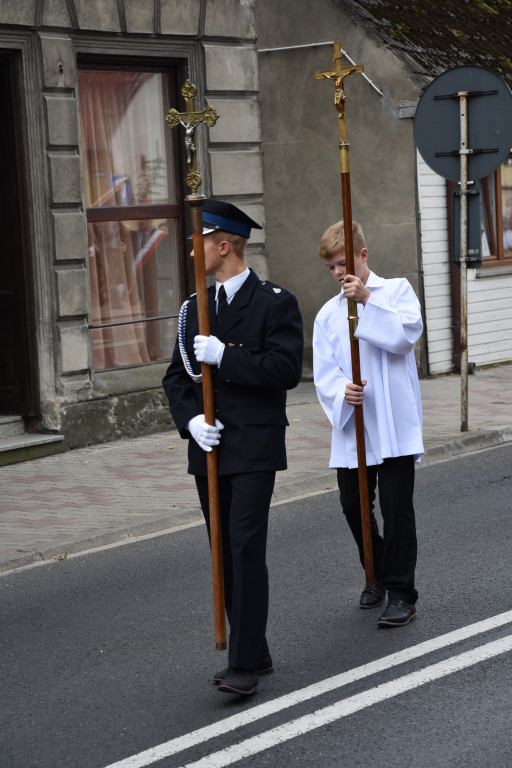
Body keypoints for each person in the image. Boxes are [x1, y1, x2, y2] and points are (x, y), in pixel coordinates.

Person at [162, 199, 303, 694]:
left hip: (254, 445)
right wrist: (192, 421)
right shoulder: (192, 309)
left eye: (198, 240)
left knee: (244, 547)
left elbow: (285, 371)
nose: (192, 249)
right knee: (221, 548)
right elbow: (176, 379)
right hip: (210, 446)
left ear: (224, 245)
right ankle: (256, 647)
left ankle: (243, 664)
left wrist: (226, 356)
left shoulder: (273, 302)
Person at [313, 220, 424, 628]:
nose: (339, 274)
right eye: (331, 268)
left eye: (343, 263)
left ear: (363, 255)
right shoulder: (327, 315)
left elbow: (403, 337)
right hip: (355, 424)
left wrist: (368, 299)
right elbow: (324, 370)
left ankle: (402, 593)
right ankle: (375, 571)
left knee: (396, 508)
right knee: (353, 505)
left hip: (392, 421)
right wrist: (343, 389)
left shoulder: (396, 292)